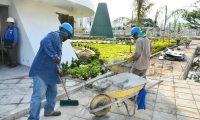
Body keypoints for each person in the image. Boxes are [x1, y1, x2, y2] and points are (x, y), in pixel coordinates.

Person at [28, 22, 73, 120]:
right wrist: (54, 55)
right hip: (41, 71)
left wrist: (59, 70)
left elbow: (57, 59)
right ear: (65, 33)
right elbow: (44, 41)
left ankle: (49, 111)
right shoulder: (55, 35)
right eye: (68, 37)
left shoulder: (59, 41)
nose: (67, 39)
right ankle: (33, 118)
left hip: (50, 73)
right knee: (38, 96)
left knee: (52, 92)